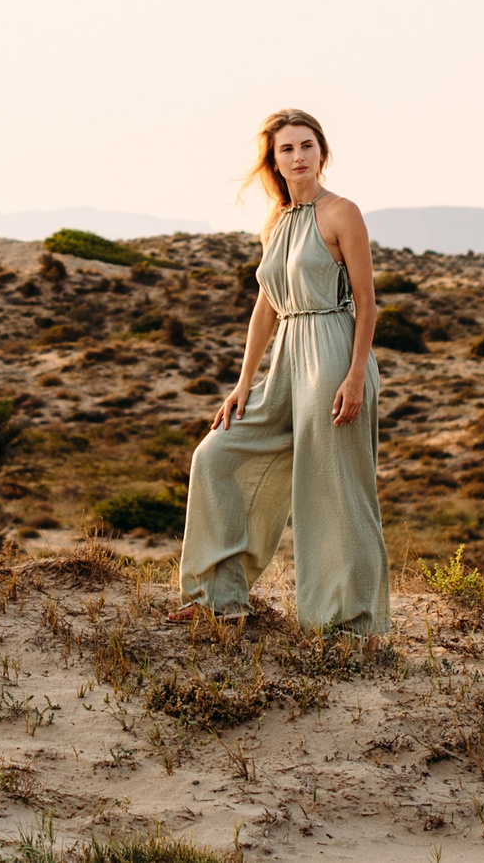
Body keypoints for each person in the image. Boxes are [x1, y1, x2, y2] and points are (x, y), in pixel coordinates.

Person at [171, 107, 389, 636]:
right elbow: (266, 305)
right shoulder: (277, 220)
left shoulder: (342, 213)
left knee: (334, 488)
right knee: (217, 455)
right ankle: (219, 598)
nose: (298, 156)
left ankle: (348, 623)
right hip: (288, 359)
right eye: (286, 148)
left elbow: (366, 300)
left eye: (307, 146)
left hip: (335, 353)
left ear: (323, 152)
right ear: (274, 158)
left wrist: (356, 374)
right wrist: (244, 382)